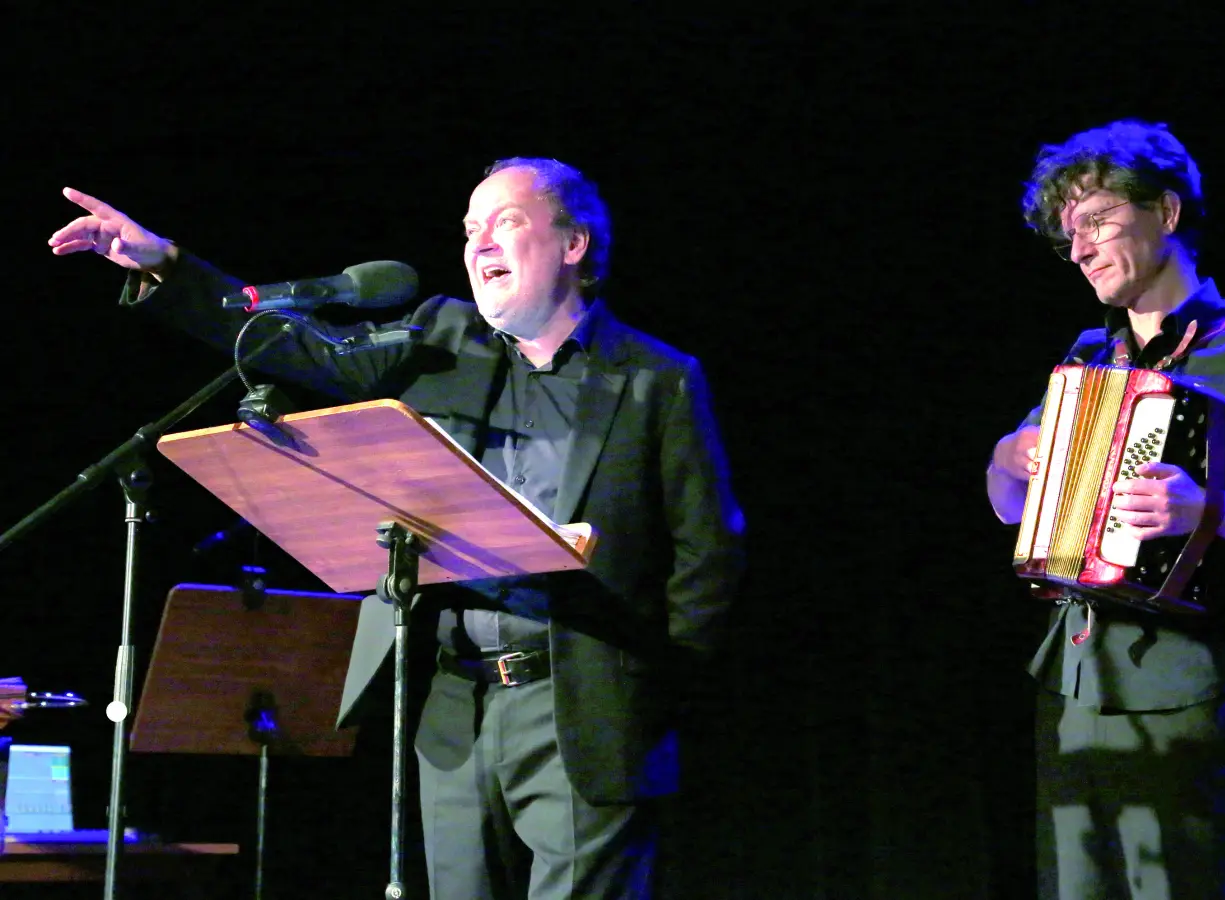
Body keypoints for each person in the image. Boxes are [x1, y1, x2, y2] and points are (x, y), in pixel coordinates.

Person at [47, 158, 746, 899]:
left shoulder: (656, 379)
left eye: (505, 222)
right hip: (454, 701)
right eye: (471, 228)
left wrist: (649, 690)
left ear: (573, 244)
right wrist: (169, 267)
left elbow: (709, 556)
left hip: (586, 701)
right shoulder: (441, 337)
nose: (479, 245)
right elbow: (297, 345)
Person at [987, 120, 1225, 899]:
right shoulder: (1084, 357)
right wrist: (1008, 459)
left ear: (1166, 213)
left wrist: (1205, 509)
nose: (1078, 249)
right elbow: (1007, 505)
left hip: (1188, 688)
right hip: (1076, 687)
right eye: (1067, 235)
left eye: (1097, 220)